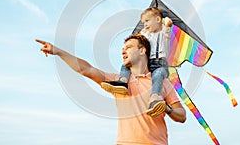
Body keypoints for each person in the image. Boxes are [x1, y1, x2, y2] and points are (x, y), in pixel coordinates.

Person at [35, 34, 186, 145]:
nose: (123, 51)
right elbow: (86, 69)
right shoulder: (117, 83)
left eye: (128, 47)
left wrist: (166, 108)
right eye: (122, 49)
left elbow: (182, 115)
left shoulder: (162, 83)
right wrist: (59, 51)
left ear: (142, 50)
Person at [101, 7, 173, 117]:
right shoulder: (145, 33)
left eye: (147, 21)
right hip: (148, 62)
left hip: (160, 64)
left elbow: (168, 26)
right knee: (126, 65)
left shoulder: (163, 32)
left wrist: (167, 22)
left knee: (157, 75)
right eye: (144, 22)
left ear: (158, 19)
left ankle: (154, 99)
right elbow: (138, 39)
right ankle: (123, 82)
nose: (145, 24)